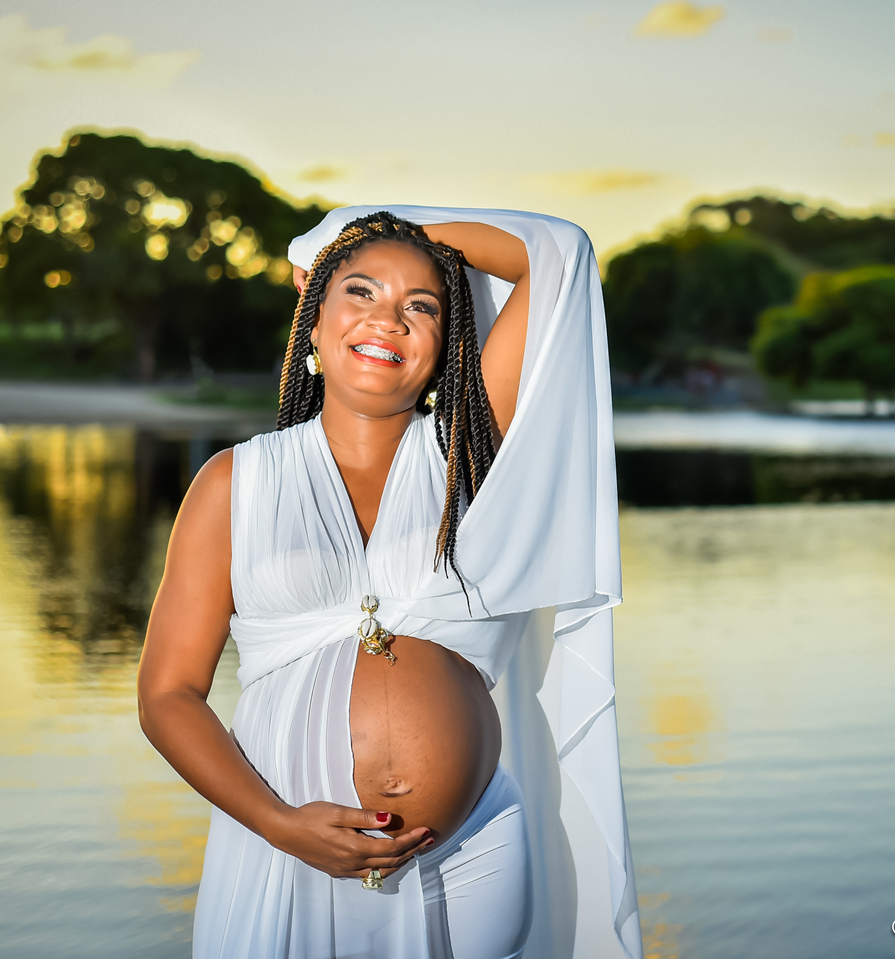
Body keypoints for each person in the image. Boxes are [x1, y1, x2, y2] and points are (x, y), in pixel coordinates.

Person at [137, 207, 640, 959]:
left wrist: (362, 233)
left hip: (469, 857)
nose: (389, 318)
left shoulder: (476, 461)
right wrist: (279, 824)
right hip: (285, 849)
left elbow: (558, 254)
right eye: (360, 292)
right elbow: (166, 694)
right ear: (311, 321)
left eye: (421, 305)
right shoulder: (233, 483)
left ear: (447, 345)